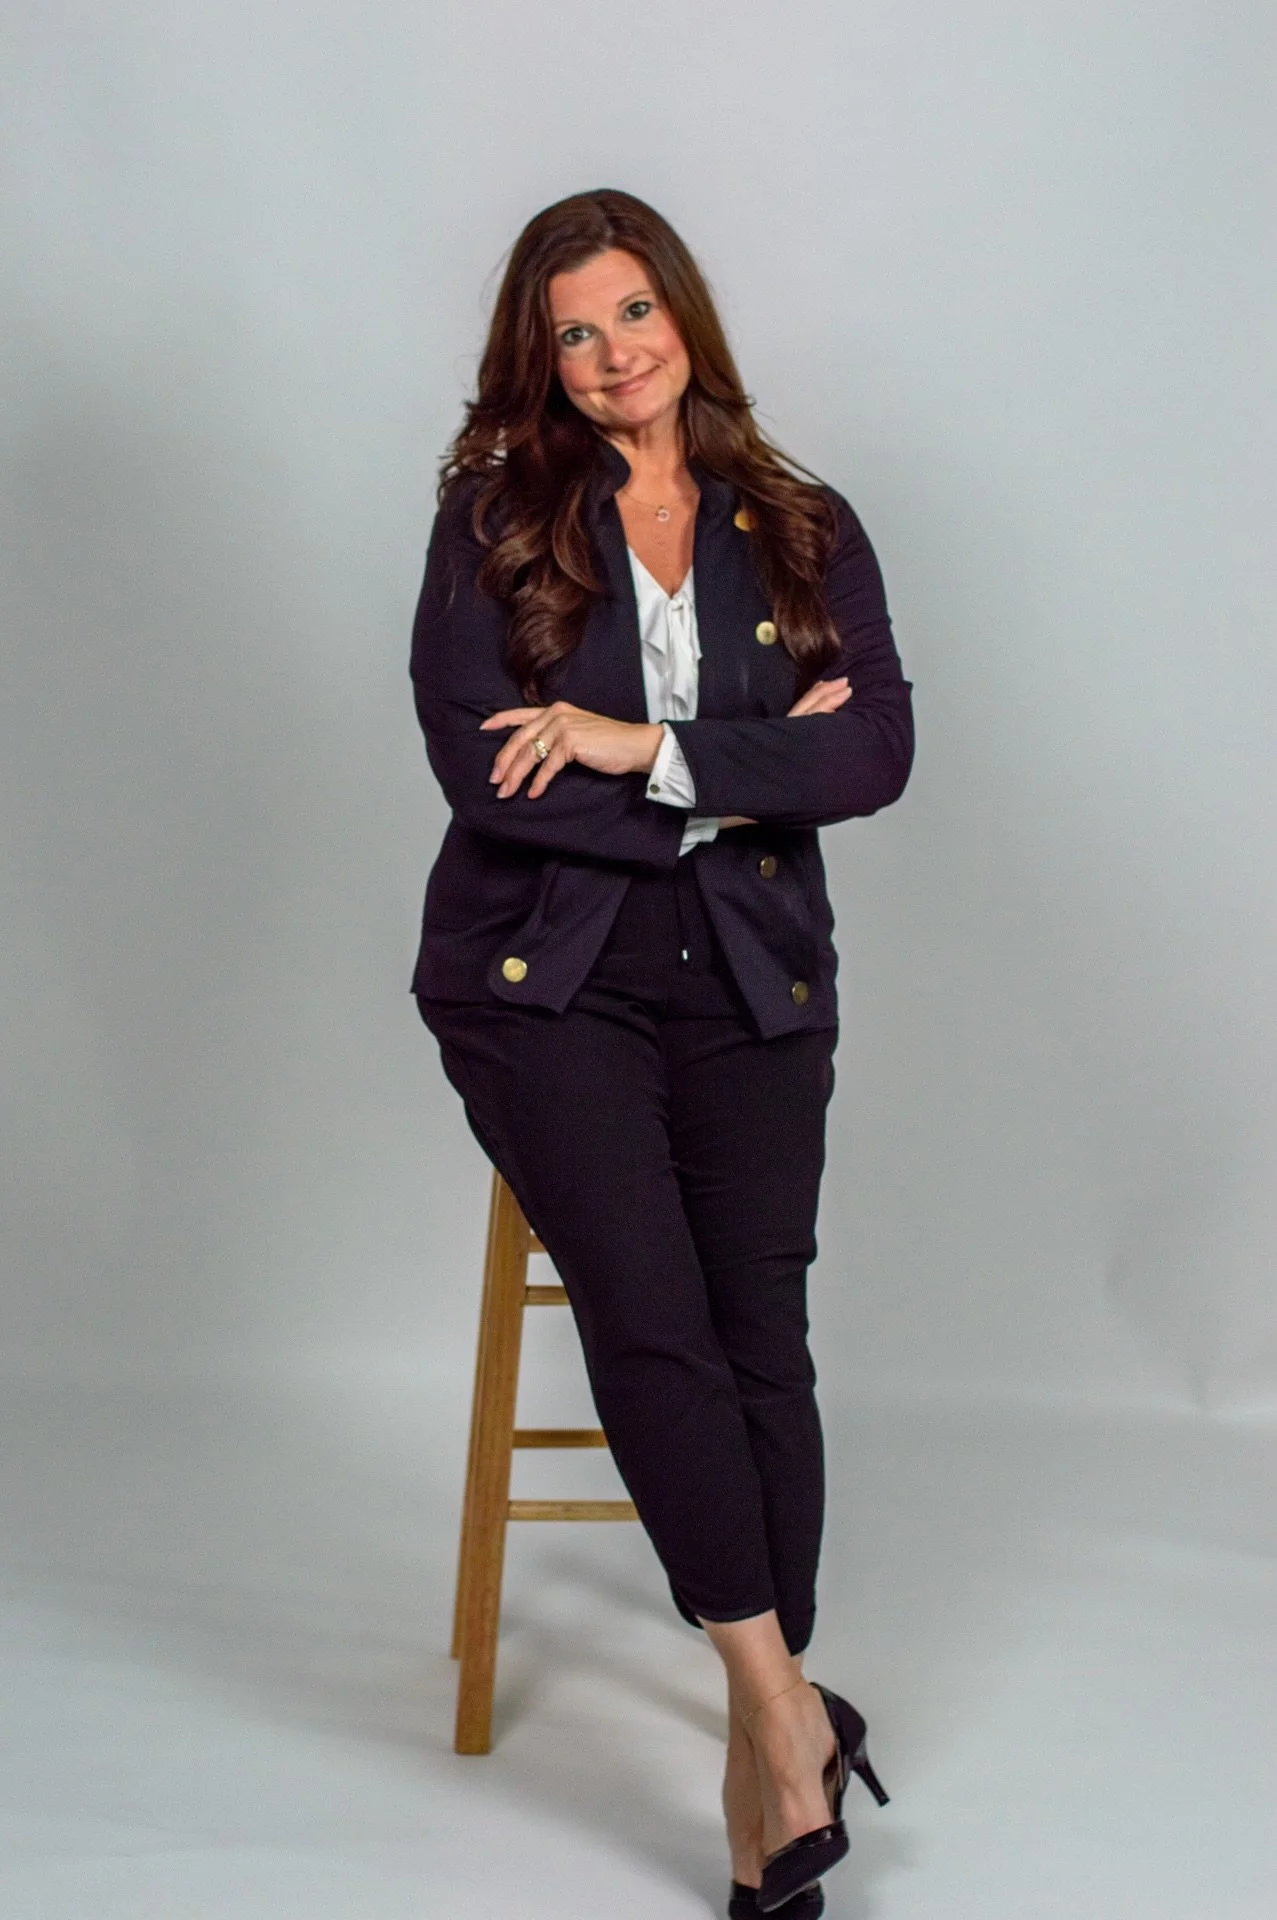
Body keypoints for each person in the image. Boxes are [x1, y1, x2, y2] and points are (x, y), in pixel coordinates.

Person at [409, 187, 913, 1916]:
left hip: (756, 980)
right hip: (547, 980)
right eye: (575, 328)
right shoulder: (495, 515)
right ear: (537, 359)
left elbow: (883, 757)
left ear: (681, 313)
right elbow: (485, 775)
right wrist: (748, 761)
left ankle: (758, 1729)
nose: (615, 352)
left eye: (636, 310)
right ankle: (780, 1714)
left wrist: (634, 743)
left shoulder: (798, 517)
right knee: (652, 1315)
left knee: (760, 1334)